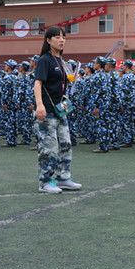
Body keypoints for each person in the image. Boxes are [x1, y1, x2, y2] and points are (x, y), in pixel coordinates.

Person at [33, 26, 81, 193]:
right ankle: (45, 181)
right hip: (46, 111)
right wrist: (39, 104)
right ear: (48, 40)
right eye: (57, 37)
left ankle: (63, 177)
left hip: (60, 110)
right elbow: (37, 84)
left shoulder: (62, 62)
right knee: (49, 147)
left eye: (64, 37)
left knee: (66, 144)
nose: (61, 40)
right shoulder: (44, 60)